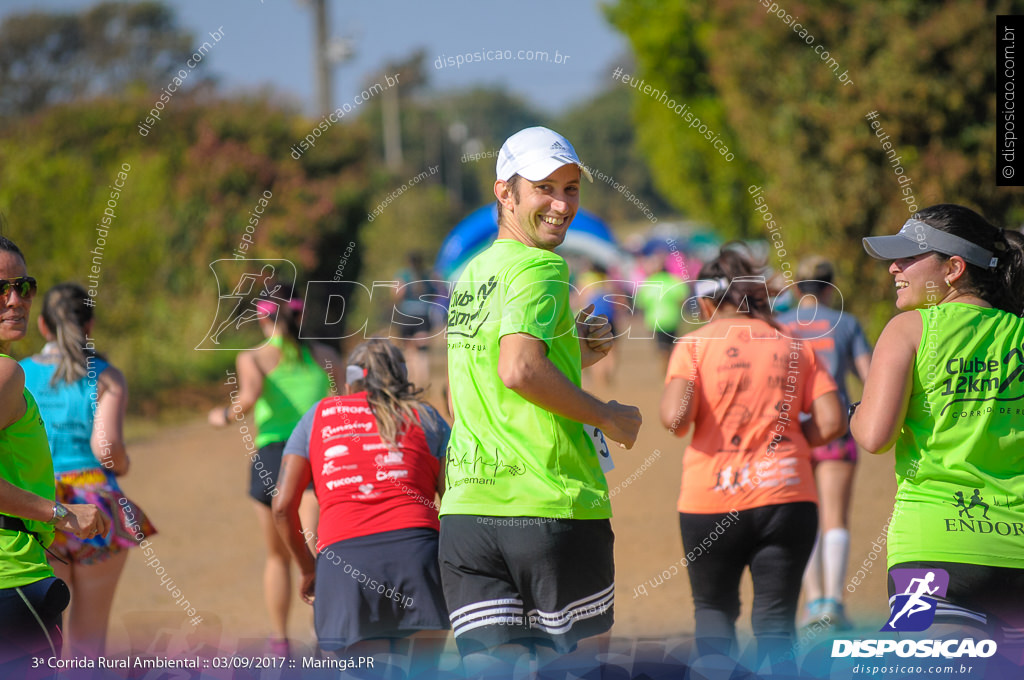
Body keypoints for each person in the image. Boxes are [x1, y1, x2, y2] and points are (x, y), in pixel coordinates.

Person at [440, 126, 643, 678]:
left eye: (571, 188)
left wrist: (573, 350)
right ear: (504, 192)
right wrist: (607, 416)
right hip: (548, 504)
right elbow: (519, 369)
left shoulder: (470, 275)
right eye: (544, 188)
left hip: (467, 514)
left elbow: (480, 380)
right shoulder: (541, 266)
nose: (560, 204)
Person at [659, 245, 844, 675]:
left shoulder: (693, 345)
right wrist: (794, 438)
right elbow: (833, 421)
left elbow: (674, 419)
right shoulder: (794, 344)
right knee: (777, 624)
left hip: (711, 499)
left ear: (706, 302)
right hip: (788, 497)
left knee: (713, 613)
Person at [851, 205, 1024, 660]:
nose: (894, 268)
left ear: (953, 269)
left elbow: (874, 436)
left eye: (909, 258)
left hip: (932, 554)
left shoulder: (908, 329)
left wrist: (858, 409)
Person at [273, 339, 450, 673]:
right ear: (401, 376)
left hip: (344, 565)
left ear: (352, 379)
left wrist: (309, 568)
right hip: (419, 560)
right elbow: (454, 499)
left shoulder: (318, 416)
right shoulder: (426, 416)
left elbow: (282, 506)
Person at [20, 283, 156, 656]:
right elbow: (106, 449)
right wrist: (123, 463)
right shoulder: (106, 376)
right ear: (89, 325)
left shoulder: (16, 374)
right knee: (89, 640)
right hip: (98, 509)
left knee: (43, 635)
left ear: (44, 327)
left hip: (40, 509)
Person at [208, 293, 343, 655]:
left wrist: (222, 415)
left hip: (274, 460)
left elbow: (249, 397)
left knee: (277, 555)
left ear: (263, 320)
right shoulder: (325, 356)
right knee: (317, 548)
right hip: (319, 456)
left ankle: (280, 641)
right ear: (300, 316)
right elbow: (346, 402)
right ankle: (324, 635)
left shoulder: (252, 356)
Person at [0, 236, 107, 671]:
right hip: (12, 579)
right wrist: (61, 514)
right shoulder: (6, 372)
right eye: (0, 288)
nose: (16, 300)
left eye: (24, 287)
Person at [776, 257, 872, 629]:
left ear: (797, 289)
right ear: (831, 289)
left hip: (791, 434)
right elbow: (869, 376)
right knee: (835, 516)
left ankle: (812, 603)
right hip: (836, 429)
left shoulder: (780, 326)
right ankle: (834, 602)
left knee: (802, 520)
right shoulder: (847, 323)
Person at [634, 242, 691, 370]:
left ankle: (665, 367)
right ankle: (669, 366)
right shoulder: (674, 280)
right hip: (673, 319)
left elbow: (641, 303)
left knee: (662, 348)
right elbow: (682, 299)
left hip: (655, 320)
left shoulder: (649, 282)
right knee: (672, 347)